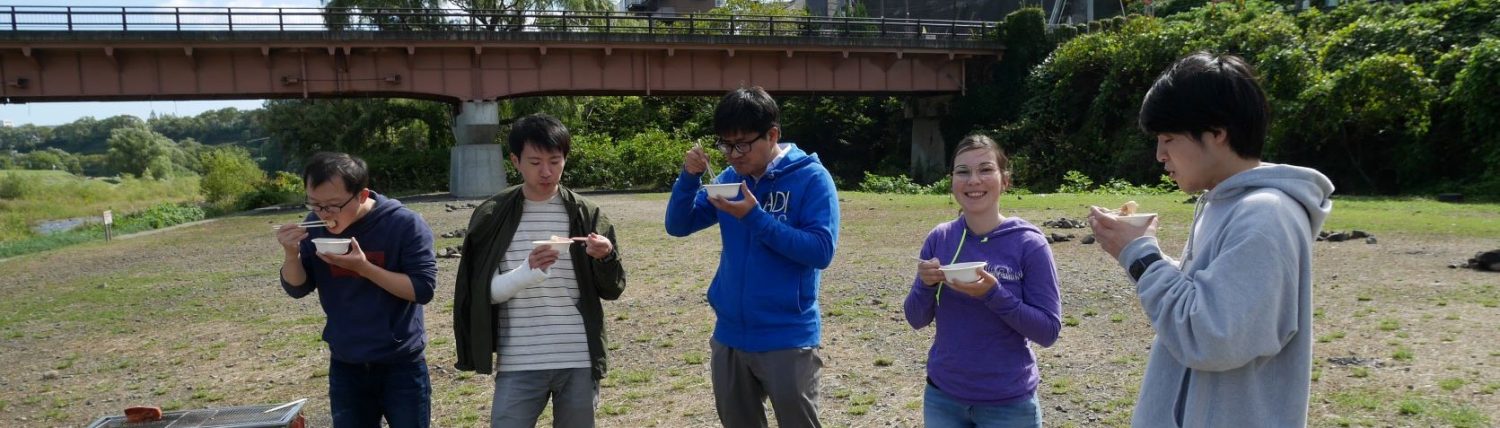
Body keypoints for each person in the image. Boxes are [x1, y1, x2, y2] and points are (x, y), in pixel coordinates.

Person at [1087, 52, 1334, 427]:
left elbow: (1211, 337)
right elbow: (1209, 300)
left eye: (1168, 138)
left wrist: (1142, 258)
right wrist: (1137, 253)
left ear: (1218, 133)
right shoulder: (1223, 202)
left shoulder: (1266, 215)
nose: (1159, 155)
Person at [665, 86, 840, 428]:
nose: (732, 154)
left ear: (772, 134)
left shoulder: (811, 178)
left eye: (742, 144)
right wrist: (689, 178)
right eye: (725, 144)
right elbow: (678, 225)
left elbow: (820, 251)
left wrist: (755, 217)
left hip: (787, 335)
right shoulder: (730, 180)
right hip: (730, 334)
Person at [452, 113, 626, 428]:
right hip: (519, 358)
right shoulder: (492, 215)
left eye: (555, 161)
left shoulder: (586, 214)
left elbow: (613, 289)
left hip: (577, 356)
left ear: (565, 159)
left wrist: (605, 257)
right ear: (515, 161)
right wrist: (526, 272)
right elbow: (483, 293)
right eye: (534, 162)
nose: (546, 171)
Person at [904, 134, 1061, 428]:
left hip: (1009, 403)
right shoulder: (940, 238)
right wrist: (924, 285)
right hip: (943, 397)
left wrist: (994, 294)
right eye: (963, 171)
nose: (973, 180)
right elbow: (915, 319)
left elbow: (1048, 331)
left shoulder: (1029, 243)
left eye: (986, 169)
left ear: (1005, 179)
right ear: (952, 182)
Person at [275, 152, 437, 428]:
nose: (324, 214)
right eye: (315, 204)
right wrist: (291, 254)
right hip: (346, 362)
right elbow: (298, 288)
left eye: (333, 206)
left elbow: (422, 289)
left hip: (401, 363)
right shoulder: (315, 227)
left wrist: (364, 268)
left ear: (361, 195)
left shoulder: (404, 224)